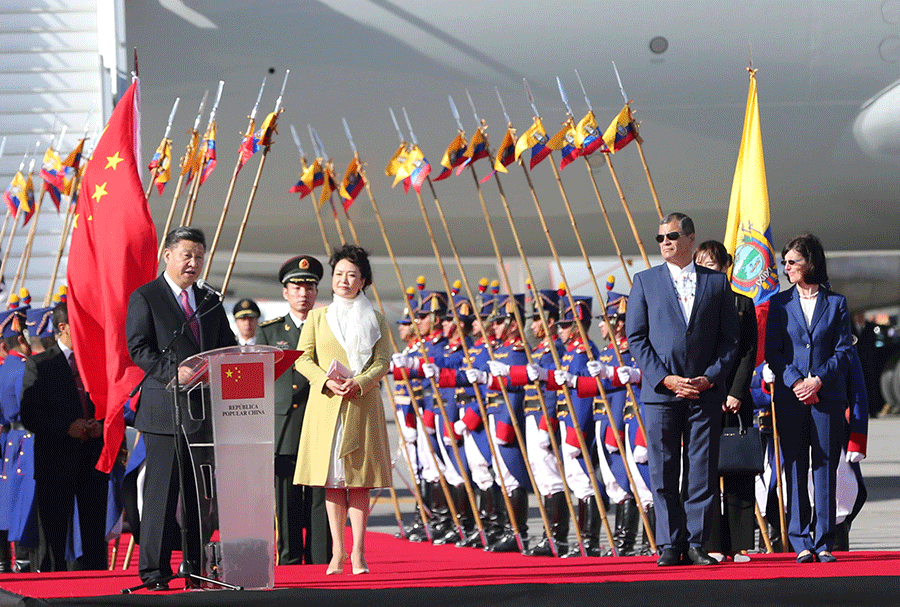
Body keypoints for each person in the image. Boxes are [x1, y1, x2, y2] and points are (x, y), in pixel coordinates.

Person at [126, 227, 237, 590]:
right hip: (164, 412)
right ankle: (155, 572)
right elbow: (138, 347)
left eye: (199, 256)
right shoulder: (147, 296)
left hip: (202, 412)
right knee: (161, 496)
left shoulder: (210, 300)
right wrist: (172, 371)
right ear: (168, 255)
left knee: (198, 498)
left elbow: (228, 346)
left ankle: (197, 567)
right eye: (187, 255)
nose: (193, 263)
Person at [626, 212, 739, 567]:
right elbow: (636, 338)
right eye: (660, 238)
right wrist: (665, 378)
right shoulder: (645, 281)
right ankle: (669, 544)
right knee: (663, 470)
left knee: (701, 470)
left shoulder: (716, 284)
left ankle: (696, 542)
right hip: (662, 394)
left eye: (672, 236)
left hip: (704, 393)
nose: (665, 243)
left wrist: (709, 377)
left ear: (691, 238)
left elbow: (730, 340)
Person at [293, 244, 392, 575]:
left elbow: (382, 361)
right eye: (338, 275)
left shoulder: (376, 319)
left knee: (359, 480)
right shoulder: (319, 317)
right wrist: (325, 380)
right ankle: (337, 551)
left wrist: (361, 382)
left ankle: (359, 551)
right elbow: (303, 358)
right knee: (333, 481)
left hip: (362, 404)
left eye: (351, 275)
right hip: (327, 404)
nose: (344, 281)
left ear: (362, 280)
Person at [765, 233, 852, 563]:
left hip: (826, 395)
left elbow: (843, 351)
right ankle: (800, 538)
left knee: (825, 467)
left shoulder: (836, 303)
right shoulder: (779, 303)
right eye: (784, 262)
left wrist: (817, 381)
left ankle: (824, 540)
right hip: (791, 398)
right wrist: (797, 382)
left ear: (811, 263)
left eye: (792, 262)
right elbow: (774, 352)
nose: (786, 267)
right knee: (796, 466)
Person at [21, 302, 109, 571]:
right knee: (54, 531)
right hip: (55, 458)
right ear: (63, 328)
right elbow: (29, 415)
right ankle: (54, 580)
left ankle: (97, 579)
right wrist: (66, 427)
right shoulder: (41, 363)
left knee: (94, 528)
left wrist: (101, 424)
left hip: (92, 457)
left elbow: (112, 403)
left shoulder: (96, 360)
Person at [255, 255, 330, 565]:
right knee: (286, 500)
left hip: (319, 422)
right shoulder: (270, 332)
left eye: (310, 287)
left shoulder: (328, 328)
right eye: (297, 287)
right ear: (285, 292)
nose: (304, 293)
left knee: (319, 498)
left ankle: (320, 560)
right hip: (284, 425)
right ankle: (288, 560)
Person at [693, 240, 757, 563]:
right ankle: (712, 542)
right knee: (706, 472)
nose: (708, 270)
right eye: (702, 264)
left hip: (736, 398)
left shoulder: (743, 304)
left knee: (738, 468)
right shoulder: (694, 305)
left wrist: (735, 392)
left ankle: (741, 544)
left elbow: (748, 353)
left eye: (714, 265)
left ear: (726, 267)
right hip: (706, 395)